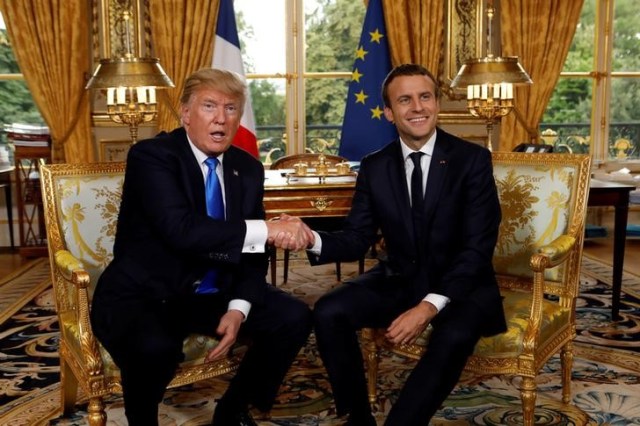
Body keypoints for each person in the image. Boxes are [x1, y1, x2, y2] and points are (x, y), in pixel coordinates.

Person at [90, 68, 314, 426]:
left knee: (293, 317)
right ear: (185, 113)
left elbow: (254, 251)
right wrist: (268, 228)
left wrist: (239, 309)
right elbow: (183, 231)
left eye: (231, 109)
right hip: (146, 293)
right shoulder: (152, 157)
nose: (221, 119)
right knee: (156, 350)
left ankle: (233, 410)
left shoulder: (248, 168)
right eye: (209, 106)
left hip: (211, 290)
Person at [305, 63, 507, 425]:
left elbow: (477, 248)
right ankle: (358, 418)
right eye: (405, 100)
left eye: (425, 97)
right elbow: (357, 237)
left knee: (452, 336)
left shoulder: (471, 160)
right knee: (328, 311)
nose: (417, 107)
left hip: (462, 287)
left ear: (436, 103)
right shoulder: (374, 166)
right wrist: (310, 237)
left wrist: (428, 308)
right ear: (389, 112)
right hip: (400, 278)